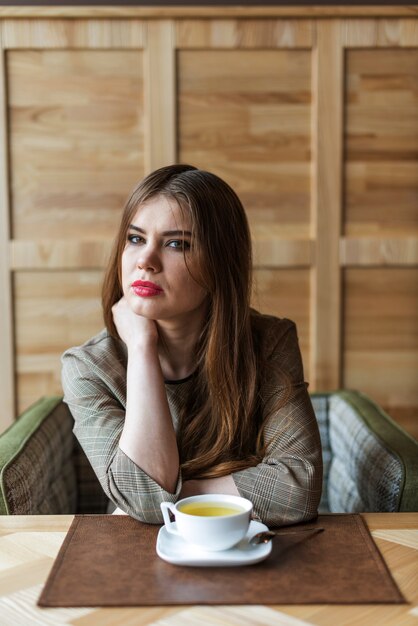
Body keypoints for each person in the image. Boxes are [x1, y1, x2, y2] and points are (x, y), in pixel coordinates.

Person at [61, 164, 323, 526]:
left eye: (175, 244)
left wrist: (172, 495)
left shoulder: (269, 342)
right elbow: (147, 501)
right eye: (136, 238)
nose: (145, 261)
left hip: (245, 546)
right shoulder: (88, 367)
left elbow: (299, 487)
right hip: (137, 554)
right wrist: (141, 348)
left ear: (219, 263)